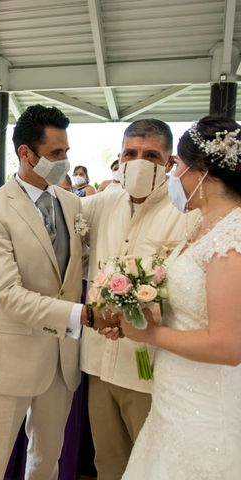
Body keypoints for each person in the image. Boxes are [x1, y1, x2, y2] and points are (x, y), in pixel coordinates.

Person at [0, 104, 109, 480]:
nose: (64, 161)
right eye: (55, 154)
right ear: (26, 153)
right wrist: (81, 316)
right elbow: (7, 294)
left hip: (61, 359)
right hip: (10, 356)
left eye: (66, 152)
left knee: (46, 460)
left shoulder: (71, 203)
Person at [118, 116, 241, 479]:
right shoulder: (205, 225)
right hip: (173, 396)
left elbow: (228, 345)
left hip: (204, 405)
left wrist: (148, 335)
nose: (175, 177)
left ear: (202, 171)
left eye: (180, 168)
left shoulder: (231, 238)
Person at [80, 119, 199, 480]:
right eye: (130, 153)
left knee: (150, 467)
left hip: (149, 367)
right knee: (107, 462)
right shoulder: (102, 203)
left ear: (168, 162)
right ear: (120, 158)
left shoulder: (187, 215)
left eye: (150, 155)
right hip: (99, 360)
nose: (138, 161)